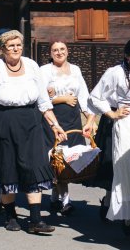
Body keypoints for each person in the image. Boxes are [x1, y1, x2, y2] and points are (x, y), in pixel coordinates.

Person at [0, 29, 66, 234]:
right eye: (11, 46)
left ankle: (36, 220)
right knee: (7, 169)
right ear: (1, 50)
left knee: (34, 167)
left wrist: (55, 125)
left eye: (18, 45)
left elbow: (43, 101)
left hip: (31, 122)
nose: (16, 49)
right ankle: (10, 215)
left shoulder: (32, 66)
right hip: (4, 122)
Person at [88, 39, 130, 231]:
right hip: (126, 123)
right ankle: (129, 213)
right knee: (128, 171)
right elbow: (95, 96)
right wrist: (111, 113)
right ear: (127, 56)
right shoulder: (115, 72)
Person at [40, 41, 95, 215]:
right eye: (55, 49)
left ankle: (55, 197)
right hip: (53, 118)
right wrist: (61, 98)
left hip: (72, 119)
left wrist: (90, 119)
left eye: (62, 49)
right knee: (58, 159)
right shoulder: (44, 71)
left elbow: (84, 95)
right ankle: (66, 201)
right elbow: (40, 97)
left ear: (67, 51)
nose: (59, 52)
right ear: (50, 53)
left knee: (69, 160)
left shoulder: (76, 70)